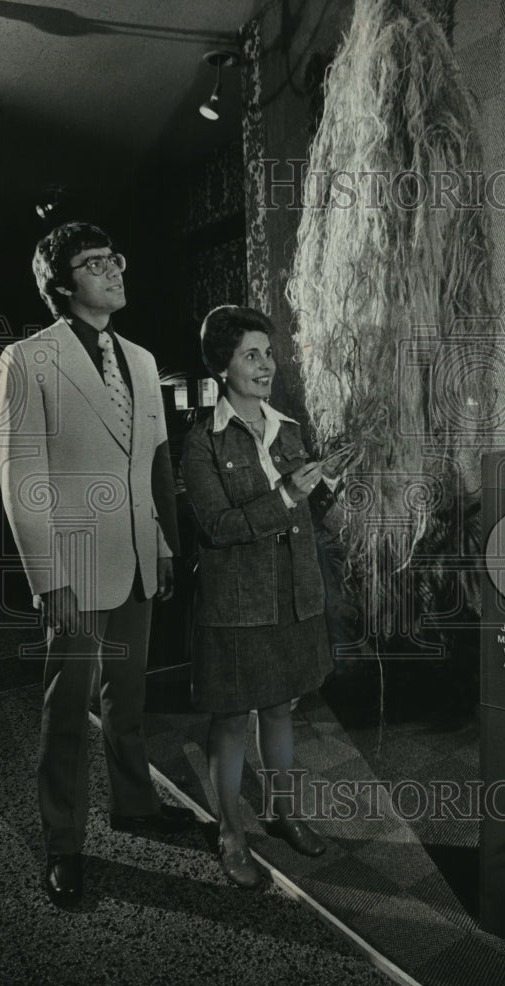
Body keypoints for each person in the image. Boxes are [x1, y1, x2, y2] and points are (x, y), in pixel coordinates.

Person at [0, 221, 195, 908]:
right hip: (74, 566)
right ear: (61, 283)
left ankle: (134, 803)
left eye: (116, 257)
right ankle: (63, 846)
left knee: (127, 699)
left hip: (138, 557)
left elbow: (154, 465)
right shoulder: (27, 359)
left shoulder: (140, 358)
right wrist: (50, 580)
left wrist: (163, 546)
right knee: (67, 710)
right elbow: (22, 480)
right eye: (95, 263)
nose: (113, 270)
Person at [182, 305, 345, 888]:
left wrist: (326, 491)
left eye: (268, 353)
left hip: (293, 599)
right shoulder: (201, 443)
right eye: (251, 354)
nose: (265, 364)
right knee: (230, 720)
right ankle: (230, 832)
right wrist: (285, 495)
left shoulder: (290, 429)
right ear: (222, 364)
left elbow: (305, 515)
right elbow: (218, 527)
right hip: (236, 606)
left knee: (280, 708)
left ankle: (281, 812)